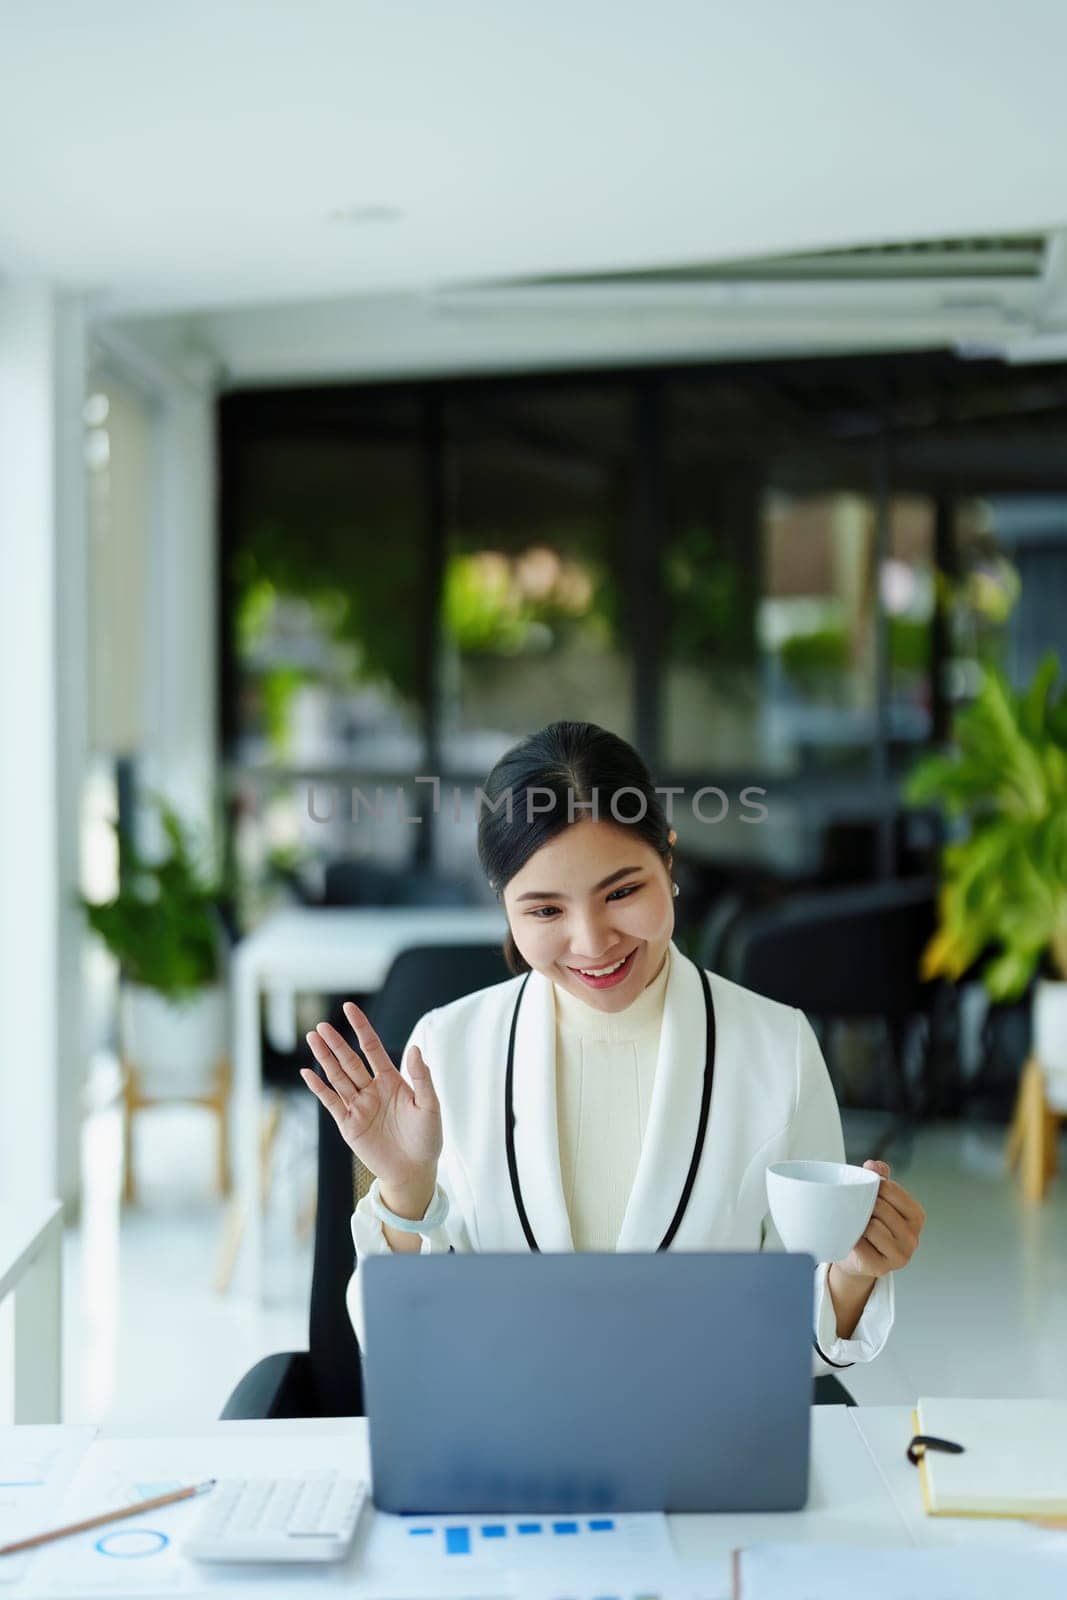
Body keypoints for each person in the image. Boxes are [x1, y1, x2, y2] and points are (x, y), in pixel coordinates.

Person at [301, 721, 925, 1371]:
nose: (593, 942)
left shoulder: (777, 1048)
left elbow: (796, 1351)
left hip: (702, 1439)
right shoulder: (446, 1050)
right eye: (545, 911)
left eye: (622, 892)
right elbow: (401, 1345)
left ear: (670, 862)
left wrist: (852, 1276)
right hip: (507, 1441)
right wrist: (406, 1190)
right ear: (505, 907)